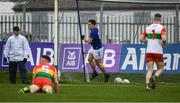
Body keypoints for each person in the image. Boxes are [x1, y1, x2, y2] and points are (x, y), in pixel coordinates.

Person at [140, 13, 167, 90]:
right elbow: (164, 39)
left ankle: (147, 86)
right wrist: (164, 44)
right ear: (160, 19)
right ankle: (154, 77)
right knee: (160, 69)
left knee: (149, 70)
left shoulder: (148, 28)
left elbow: (141, 39)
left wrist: (148, 41)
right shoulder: (162, 28)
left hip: (149, 51)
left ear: (154, 19)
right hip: (158, 51)